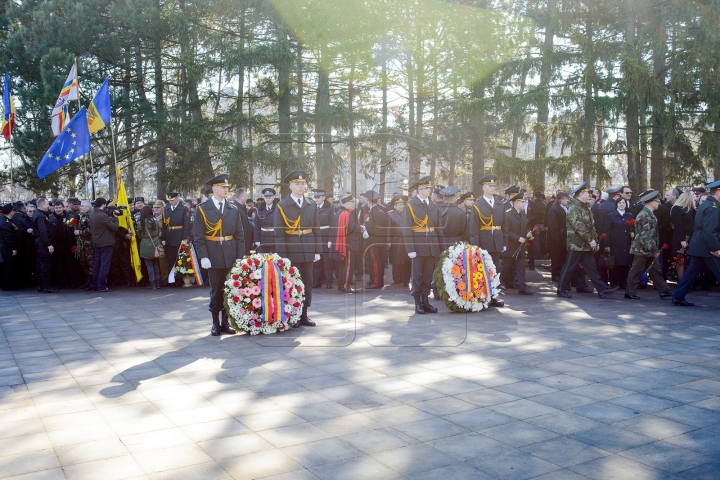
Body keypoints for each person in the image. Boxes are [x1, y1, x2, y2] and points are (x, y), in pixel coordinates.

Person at [193, 173, 245, 335]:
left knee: (229, 289)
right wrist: (203, 256)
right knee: (215, 290)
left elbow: (240, 235)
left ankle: (225, 322)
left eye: (227, 187)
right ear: (214, 189)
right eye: (223, 187)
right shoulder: (202, 209)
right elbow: (198, 236)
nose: (226, 190)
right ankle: (215, 323)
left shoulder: (232, 208)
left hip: (230, 254)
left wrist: (239, 256)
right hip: (213, 254)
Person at [273, 170, 321, 327]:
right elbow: (279, 234)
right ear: (290, 186)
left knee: (307, 283)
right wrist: (282, 255)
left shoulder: (311, 204)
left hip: (307, 248)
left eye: (302, 184)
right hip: (291, 250)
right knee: (292, 284)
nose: (301, 186)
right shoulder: (282, 206)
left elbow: (316, 229)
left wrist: (317, 250)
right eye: (297, 184)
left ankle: (304, 315)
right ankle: (293, 315)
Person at [557, 182, 618, 299]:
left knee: (591, 268)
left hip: (585, 244)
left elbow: (590, 226)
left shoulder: (585, 207)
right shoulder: (574, 208)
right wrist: (590, 240)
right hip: (576, 244)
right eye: (586, 192)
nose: (588, 194)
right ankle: (561, 289)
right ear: (580, 194)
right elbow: (578, 226)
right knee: (569, 267)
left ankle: (602, 290)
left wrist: (594, 240)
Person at [671, 180, 720, 306]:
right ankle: (678, 297)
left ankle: (678, 296)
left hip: (699, 244)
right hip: (707, 246)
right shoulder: (713, 207)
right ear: (718, 193)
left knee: (690, 274)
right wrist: (715, 248)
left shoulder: (707, 204)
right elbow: (710, 230)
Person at [402, 175, 441, 314]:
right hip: (418, 245)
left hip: (431, 245)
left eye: (430, 188)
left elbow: (438, 227)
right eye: (427, 188)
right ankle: (417, 302)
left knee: (427, 275)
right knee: (417, 275)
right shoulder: (411, 206)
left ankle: (426, 301)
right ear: (420, 189)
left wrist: (440, 247)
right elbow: (406, 228)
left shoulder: (433, 205)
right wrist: (410, 248)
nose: (430, 190)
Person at [625, 191, 673, 300]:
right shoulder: (644, 215)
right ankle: (629, 292)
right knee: (635, 271)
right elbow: (645, 236)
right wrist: (654, 250)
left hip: (647, 249)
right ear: (652, 203)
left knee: (655, 270)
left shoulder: (648, 214)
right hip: (642, 250)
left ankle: (664, 290)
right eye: (657, 202)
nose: (659, 204)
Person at [469, 174, 505, 307]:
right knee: (483, 270)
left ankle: (494, 296)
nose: (492, 188)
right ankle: (483, 296)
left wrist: (504, 242)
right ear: (483, 188)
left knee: (495, 270)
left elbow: (504, 225)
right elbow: (474, 229)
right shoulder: (478, 205)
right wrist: (475, 246)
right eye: (490, 186)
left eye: (494, 185)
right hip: (484, 242)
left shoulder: (500, 203)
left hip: (497, 241)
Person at [501, 193, 534, 295]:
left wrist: (528, 233)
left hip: (520, 246)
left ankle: (522, 287)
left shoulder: (523, 214)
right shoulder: (508, 214)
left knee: (520, 267)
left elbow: (526, 226)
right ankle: (500, 282)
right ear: (516, 203)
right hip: (511, 246)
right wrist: (517, 238)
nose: (524, 203)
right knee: (506, 266)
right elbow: (506, 231)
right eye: (522, 202)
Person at [331, 195, 360, 294]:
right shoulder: (347, 214)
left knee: (343, 266)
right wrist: (362, 228)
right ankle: (345, 286)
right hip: (349, 243)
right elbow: (353, 227)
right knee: (349, 266)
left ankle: (341, 284)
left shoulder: (339, 212)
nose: (354, 205)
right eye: (352, 203)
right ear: (347, 204)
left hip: (344, 243)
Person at [89, 198, 119, 293]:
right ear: (102, 205)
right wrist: (116, 218)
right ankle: (101, 286)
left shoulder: (92, 215)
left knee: (97, 264)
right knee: (104, 265)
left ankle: (94, 285)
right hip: (106, 243)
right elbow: (114, 228)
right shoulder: (103, 216)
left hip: (96, 242)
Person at [604, 197, 634, 289]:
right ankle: (613, 282)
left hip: (626, 243)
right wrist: (607, 245)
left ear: (626, 204)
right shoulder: (611, 215)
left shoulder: (629, 215)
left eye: (623, 203)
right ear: (617, 204)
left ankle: (623, 283)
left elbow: (632, 228)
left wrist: (633, 233)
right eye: (620, 203)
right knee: (615, 264)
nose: (622, 204)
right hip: (615, 244)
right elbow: (607, 231)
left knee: (625, 264)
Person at [162, 192, 191, 286]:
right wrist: (164, 237)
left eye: (172, 200)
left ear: (177, 198)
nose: (171, 202)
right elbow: (164, 225)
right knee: (170, 259)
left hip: (179, 236)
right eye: (169, 200)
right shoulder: (166, 209)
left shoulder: (183, 209)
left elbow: (187, 225)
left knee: (179, 259)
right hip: (169, 236)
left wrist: (184, 238)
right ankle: (172, 279)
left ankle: (179, 280)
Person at [364, 190, 389, 289]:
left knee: (374, 262)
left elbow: (369, 227)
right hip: (381, 241)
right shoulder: (382, 212)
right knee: (380, 262)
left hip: (373, 241)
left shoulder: (370, 213)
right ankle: (379, 281)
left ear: (369, 202)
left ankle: (376, 282)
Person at [33, 197, 58, 293]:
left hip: (40, 241)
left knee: (41, 264)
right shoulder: (40, 216)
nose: (49, 206)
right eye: (47, 204)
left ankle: (41, 285)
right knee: (45, 265)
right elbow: (43, 231)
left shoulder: (41, 214)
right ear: (42, 205)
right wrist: (48, 244)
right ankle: (46, 286)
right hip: (42, 242)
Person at [669, 190, 695, 281]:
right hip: (681, 238)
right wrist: (682, 240)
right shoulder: (677, 209)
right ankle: (681, 282)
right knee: (680, 261)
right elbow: (678, 226)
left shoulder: (689, 209)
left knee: (687, 260)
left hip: (690, 237)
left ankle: (686, 282)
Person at [387, 195, 411, 286]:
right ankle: (396, 277)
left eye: (402, 204)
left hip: (405, 240)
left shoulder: (406, 213)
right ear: (394, 205)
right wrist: (388, 240)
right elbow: (388, 229)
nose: (401, 206)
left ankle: (403, 277)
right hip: (396, 240)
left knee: (404, 260)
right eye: (399, 204)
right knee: (396, 260)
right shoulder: (390, 214)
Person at [314, 189, 335, 289]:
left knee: (327, 262)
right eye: (316, 197)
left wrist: (331, 239)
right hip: (316, 238)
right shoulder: (313, 208)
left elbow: (332, 224)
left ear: (323, 198)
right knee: (316, 261)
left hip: (326, 237)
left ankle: (328, 281)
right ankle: (317, 282)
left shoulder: (330, 209)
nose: (316, 199)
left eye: (318, 197)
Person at [138, 205, 163, 290]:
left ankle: (152, 283)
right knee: (155, 264)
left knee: (149, 265)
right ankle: (158, 282)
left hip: (145, 243)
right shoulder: (155, 221)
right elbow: (158, 231)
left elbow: (139, 234)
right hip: (155, 243)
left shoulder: (141, 222)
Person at [547, 192, 569, 282]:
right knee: (556, 259)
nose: (567, 201)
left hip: (563, 239)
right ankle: (555, 275)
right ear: (561, 200)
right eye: (566, 199)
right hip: (556, 240)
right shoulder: (554, 209)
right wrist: (556, 239)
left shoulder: (564, 208)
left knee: (561, 259)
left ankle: (560, 274)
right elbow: (553, 226)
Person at [437, 186, 467, 251]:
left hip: (440, 243)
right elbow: (464, 232)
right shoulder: (460, 212)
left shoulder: (437, 211)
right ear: (453, 199)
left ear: (443, 199)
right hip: (456, 244)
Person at [0, 204, 22, 291]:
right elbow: (8, 237)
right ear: (10, 212)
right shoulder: (5, 223)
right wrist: (13, 248)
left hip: (9, 247)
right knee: (9, 266)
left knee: (11, 265)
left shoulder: (8, 221)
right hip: (8, 248)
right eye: (13, 211)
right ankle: (7, 284)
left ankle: (10, 283)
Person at [73, 200, 94, 290]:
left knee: (90, 263)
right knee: (83, 262)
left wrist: (80, 232)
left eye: (82, 206)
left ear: (88, 207)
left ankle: (92, 282)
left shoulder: (90, 215)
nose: (80, 207)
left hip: (89, 244)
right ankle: (87, 281)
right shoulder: (83, 216)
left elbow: (91, 230)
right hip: (83, 244)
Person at [526, 191, 547, 270]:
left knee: (535, 240)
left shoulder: (534, 204)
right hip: (542, 224)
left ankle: (537, 255)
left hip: (536, 224)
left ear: (534, 196)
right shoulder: (544, 204)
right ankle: (540, 253)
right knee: (541, 240)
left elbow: (536, 214)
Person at [232, 188, 254, 256]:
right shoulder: (234, 207)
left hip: (246, 240)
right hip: (240, 242)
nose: (247, 197)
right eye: (246, 195)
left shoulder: (242, 206)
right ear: (241, 197)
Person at [254, 188, 277, 254]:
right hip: (263, 238)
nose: (268, 199)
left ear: (273, 198)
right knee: (262, 259)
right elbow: (257, 226)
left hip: (274, 238)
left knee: (275, 260)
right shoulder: (259, 210)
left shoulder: (278, 209)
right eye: (266, 197)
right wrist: (256, 239)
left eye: (269, 197)